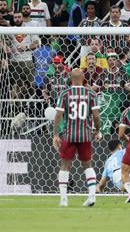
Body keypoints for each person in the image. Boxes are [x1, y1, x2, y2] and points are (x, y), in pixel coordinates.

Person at [53, 68, 101, 207]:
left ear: (70, 79)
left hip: (69, 135)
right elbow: (96, 116)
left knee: (65, 165)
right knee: (87, 165)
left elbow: (58, 115)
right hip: (85, 135)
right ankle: (92, 196)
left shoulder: (65, 94)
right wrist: (97, 130)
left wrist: (55, 134)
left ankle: (63, 199)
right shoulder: (91, 93)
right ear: (83, 78)